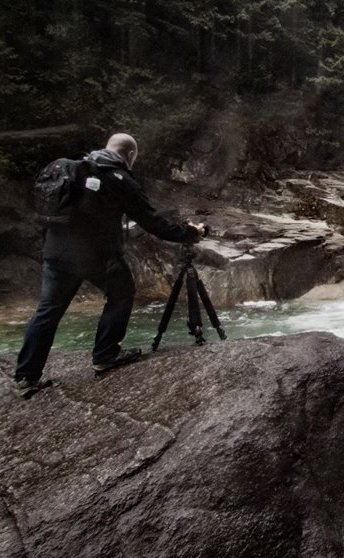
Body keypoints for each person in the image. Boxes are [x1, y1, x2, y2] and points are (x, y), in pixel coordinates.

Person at [14, 133, 205, 398]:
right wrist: (190, 233)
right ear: (130, 156)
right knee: (122, 292)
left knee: (47, 311)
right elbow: (153, 222)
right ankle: (105, 354)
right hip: (94, 256)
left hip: (55, 253)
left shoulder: (73, 167)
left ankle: (26, 376)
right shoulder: (118, 179)